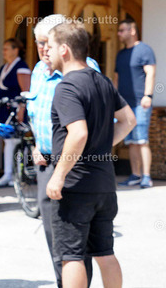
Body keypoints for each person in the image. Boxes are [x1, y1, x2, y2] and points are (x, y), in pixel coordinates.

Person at [45, 21, 136, 288]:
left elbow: (78, 133)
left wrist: (58, 175)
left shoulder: (67, 87)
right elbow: (128, 120)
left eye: (50, 46)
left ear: (64, 49)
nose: (47, 52)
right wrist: (102, 146)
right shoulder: (102, 80)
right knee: (105, 252)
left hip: (75, 186)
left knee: (71, 255)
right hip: (104, 185)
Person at [26, 14, 101, 288]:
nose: (43, 49)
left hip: (74, 164)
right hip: (46, 163)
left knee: (75, 242)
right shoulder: (38, 70)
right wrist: (37, 143)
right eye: (39, 43)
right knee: (54, 235)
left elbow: (95, 121)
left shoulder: (83, 70)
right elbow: (36, 112)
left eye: (47, 42)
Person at [115, 19, 157, 188]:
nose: (118, 33)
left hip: (141, 103)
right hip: (124, 104)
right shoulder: (120, 54)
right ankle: (135, 175)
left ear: (132, 31)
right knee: (131, 142)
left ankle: (146, 177)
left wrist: (148, 95)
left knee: (141, 140)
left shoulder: (144, 50)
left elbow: (151, 73)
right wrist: (114, 100)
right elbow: (116, 78)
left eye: (122, 30)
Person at [0, 38, 30, 187]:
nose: (4, 52)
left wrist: (22, 109)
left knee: (17, 140)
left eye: (6, 49)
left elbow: (26, 91)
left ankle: (18, 174)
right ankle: (8, 174)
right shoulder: (4, 67)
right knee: (7, 140)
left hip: (16, 108)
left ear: (16, 50)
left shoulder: (21, 67)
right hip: (4, 108)